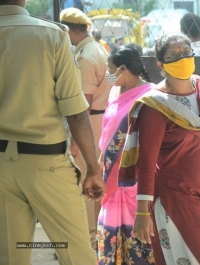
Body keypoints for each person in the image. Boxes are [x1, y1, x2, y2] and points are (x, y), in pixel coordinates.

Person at [0, 1, 104, 264]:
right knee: (76, 253)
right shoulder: (52, 35)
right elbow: (77, 112)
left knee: (11, 255)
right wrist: (93, 169)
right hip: (46, 165)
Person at [124, 32, 200, 264]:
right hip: (175, 197)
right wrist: (142, 211)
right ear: (160, 63)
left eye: (186, 52)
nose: (182, 57)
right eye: (174, 55)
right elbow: (147, 161)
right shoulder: (156, 105)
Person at [97, 44, 155, 265]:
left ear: (122, 68)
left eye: (110, 69)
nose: (108, 74)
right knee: (109, 231)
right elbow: (108, 129)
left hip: (133, 178)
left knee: (136, 238)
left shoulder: (149, 95)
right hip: (110, 173)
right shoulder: (115, 90)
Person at [60, 7, 110, 251]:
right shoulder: (97, 49)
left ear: (68, 30)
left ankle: (91, 244)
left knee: (87, 185)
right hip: (100, 122)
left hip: (89, 124)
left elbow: (84, 104)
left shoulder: (85, 57)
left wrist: (75, 141)